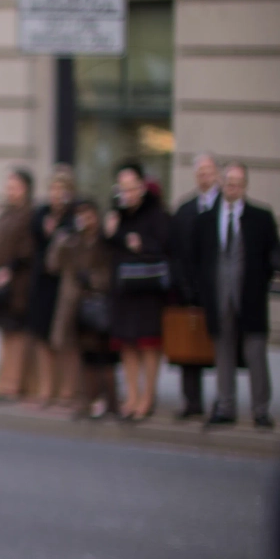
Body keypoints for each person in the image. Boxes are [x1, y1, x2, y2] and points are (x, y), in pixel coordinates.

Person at [195, 163, 278, 428]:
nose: (232, 187)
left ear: (245, 187)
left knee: (255, 353)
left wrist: (259, 283)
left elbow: (271, 257)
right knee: (224, 353)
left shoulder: (261, 217)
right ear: (222, 183)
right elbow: (200, 259)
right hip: (219, 297)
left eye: (237, 183)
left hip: (250, 296)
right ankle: (226, 406)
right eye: (229, 182)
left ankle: (260, 409)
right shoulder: (208, 219)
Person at [104, 162, 174, 421]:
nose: (127, 193)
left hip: (147, 290)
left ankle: (148, 396)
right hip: (123, 288)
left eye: (132, 187)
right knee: (127, 344)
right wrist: (110, 232)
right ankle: (131, 396)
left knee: (148, 344)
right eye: (123, 188)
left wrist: (142, 243)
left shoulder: (156, 213)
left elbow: (166, 245)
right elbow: (111, 246)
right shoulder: (117, 214)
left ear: (142, 187)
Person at [49, 198, 118, 419]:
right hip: (73, 306)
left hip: (97, 305)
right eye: (81, 216)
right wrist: (60, 239)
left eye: (89, 215)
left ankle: (109, 401)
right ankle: (85, 400)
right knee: (80, 355)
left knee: (102, 356)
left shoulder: (104, 242)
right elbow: (52, 264)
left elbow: (110, 273)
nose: (85, 220)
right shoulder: (72, 241)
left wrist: (93, 279)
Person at [170, 154, 221, 419]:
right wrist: (184, 287)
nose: (204, 175)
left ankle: (224, 402)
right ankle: (192, 402)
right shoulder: (185, 209)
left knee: (221, 348)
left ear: (217, 174)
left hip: (219, 291)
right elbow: (176, 252)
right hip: (190, 290)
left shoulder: (227, 207)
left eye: (209, 171)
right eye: (200, 171)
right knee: (189, 348)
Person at [0, 168, 36, 401]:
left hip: (18, 286)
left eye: (15, 187)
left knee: (16, 335)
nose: (10, 191)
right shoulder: (5, 213)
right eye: (9, 186)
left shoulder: (30, 215)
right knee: (4, 333)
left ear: (26, 189)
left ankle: (13, 384)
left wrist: (9, 270)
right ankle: (3, 380)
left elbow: (28, 251)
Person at [27, 167, 77, 406]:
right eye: (54, 189)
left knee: (63, 338)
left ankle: (66, 388)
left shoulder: (74, 217)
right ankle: (46, 387)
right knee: (41, 336)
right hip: (42, 282)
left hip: (64, 283)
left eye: (62, 189)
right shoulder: (41, 214)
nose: (57, 194)